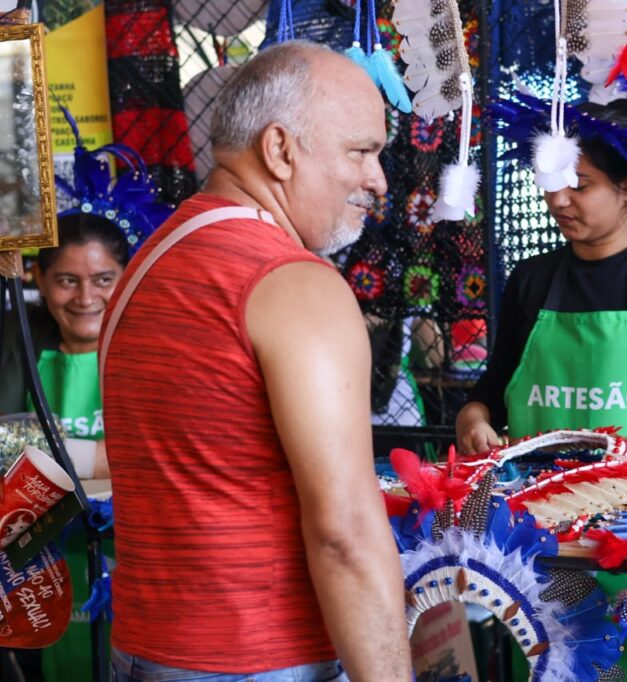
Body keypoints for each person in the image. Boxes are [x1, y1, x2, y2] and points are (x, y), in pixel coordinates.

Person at [101, 42, 411, 681]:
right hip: (258, 659)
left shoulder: (148, 263)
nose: (378, 179)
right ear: (279, 150)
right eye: (361, 151)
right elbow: (345, 533)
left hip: (144, 650)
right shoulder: (293, 284)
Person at [455, 99, 627, 681]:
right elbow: (491, 389)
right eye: (552, 182)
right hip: (543, 557)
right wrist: (473, 418)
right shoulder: (532, 282)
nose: (558, 199)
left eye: (579, 185)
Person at [0, 213, 126, 682]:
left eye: (103, 279)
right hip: (33, 573)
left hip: (126, 562)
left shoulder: (152, 342)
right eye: (67, 281)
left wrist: (45, 451)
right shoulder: (16, 344)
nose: (86, 298)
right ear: (37, 278)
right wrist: (104, 456)